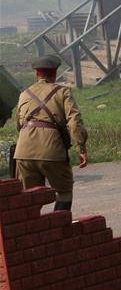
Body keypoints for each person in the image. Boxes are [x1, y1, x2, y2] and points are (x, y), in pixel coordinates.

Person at [13, 55, 89, 211]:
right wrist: (81, 148)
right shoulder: (63, 92)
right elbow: (74, 122)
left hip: (23, 153)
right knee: (64, 191)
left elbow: (19, 125)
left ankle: (33, 231)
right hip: (51, 151)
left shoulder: (24, 94)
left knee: (29, 198)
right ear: (55, 73)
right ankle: (60, 226)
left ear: (36, 74)